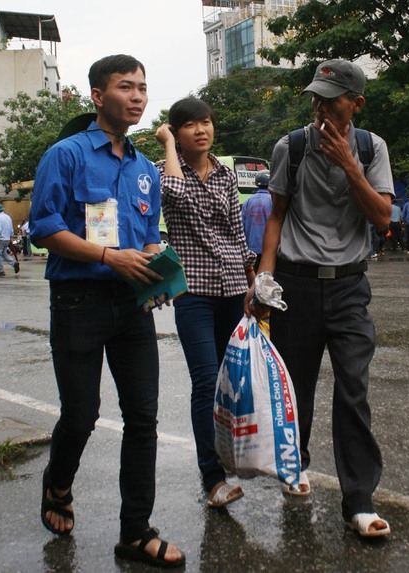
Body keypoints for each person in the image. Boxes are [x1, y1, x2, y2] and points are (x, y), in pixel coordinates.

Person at [29, 54, 185, 568]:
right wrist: (105, 256)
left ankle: (136, 531)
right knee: (82, 414)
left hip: (131, 308)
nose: (138, 96)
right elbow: (44, 228)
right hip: (79, 301)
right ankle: (58, 483)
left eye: (143, 87)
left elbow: (144, 243)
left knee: (143, 417)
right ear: (98, 96)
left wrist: (155, 275)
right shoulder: (66, 155)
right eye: (126, 87)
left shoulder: (145, 170)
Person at [246, 59, 394, 538]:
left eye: (331, 100)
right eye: (316, 97)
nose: (321, 107)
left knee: (354, 389)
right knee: (297, 388)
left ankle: (360, 501)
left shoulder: (372, 149)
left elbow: (383, 217)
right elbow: (277, 215)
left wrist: (350, 165)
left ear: (356, 104)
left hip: (350, 285)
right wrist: (263, 279)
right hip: (297, 282)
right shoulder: (290, 146)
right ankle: (296, 465)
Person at [155, 97, 255, 509]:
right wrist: (165, 146)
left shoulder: (226, 175)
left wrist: (253, 282)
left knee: (231, 382)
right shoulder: (162, 172)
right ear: (177, 133)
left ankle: (233, 458)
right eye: (191, 125)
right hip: (193, 291)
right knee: (205, 381)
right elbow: (179, 197)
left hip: (232, 286)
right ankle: (212, 476)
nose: (202, 130)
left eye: (207, 122)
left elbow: (237, 230)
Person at [242, 170, 272, 271]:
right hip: (268, 252)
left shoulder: (247, 201)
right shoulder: (273, 201)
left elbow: (241, 226)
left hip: (250, 250)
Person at [0, 204, 19, 277]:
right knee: (4, 253)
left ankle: (1, 271)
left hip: (1, 238)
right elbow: (11, 228)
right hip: (7, 238)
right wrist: (11, 236)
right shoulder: (8, 217)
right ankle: (14, 263)